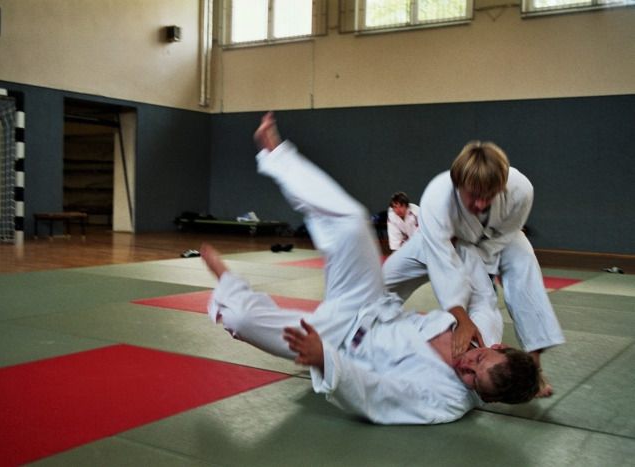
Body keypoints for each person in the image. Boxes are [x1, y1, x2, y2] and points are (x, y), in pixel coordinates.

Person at [200, 112, 539, 425]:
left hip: (339, 342)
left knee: (242, 320)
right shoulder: (484, 330)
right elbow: (482, 296)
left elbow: (380, 394)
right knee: (353, 221)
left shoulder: (447, 400)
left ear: (486, 398)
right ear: (496, 347)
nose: (466, 366)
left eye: (473, 380)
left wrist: (324, 359)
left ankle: (228, 283)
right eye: (478, 361)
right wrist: (466, 298)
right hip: (370, 304)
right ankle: (277, 155)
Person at [382, 141, 565, 397]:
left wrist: (479, 264)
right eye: (474, 195)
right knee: (383, 281)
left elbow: (510, 231)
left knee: (522, 262)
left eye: (489, 196)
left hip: (494, 240)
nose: (481, 204)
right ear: (458, 183)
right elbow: (442, 263)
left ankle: (531, 369)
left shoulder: (521, 189)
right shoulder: (437, 197)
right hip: (437, 244)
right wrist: (462, 318)